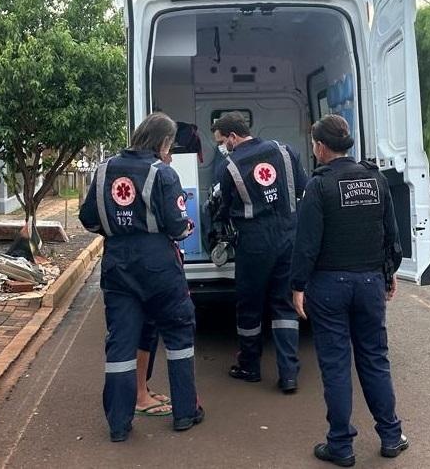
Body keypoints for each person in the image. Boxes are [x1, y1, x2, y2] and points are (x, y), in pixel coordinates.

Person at [290, 114, 409, 466]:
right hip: (370, 281)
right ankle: (391, 435)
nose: (313, 150)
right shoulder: (376, 179)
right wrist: (389, 273)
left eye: (313, 144)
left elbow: (306, 243)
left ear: (322, 147)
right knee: (374, 359)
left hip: (328, 286)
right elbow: (391, 234)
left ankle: (341, 446)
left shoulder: (319, 186)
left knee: (336, 365)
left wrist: (298, 285)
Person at [79, 112, 204, 442]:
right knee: (178, 333)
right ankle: (184, 413)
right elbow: (177, 226)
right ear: (163, 143)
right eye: (170, 145)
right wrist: (184, 227)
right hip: (157, 264)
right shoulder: (163, 173)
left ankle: (119, 425)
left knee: (121, 340)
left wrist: (118, 231)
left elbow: (88, 218)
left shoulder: (104, 168)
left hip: (117, 263)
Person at [211, 112, 308, 393]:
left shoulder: (228, 167)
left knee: (250, 306)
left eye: (221, 141)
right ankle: (289, 373)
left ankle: (250, 367)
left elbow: (223, 207)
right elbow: (303, 189)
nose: (222, 147)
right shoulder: (286, 151)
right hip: (289, 236)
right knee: (284, 305)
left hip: (254, 242)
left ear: (232, 137)